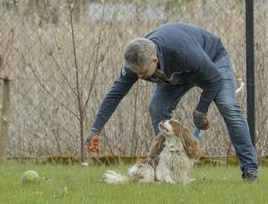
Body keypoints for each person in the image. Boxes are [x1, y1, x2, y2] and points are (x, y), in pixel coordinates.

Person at [85, 22, 258, 183]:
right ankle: (164, 172)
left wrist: (200, 111)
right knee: (157, 108)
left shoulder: (182, 50)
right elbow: (115, 93)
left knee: (228, 106)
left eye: (143, 73)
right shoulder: (137, 60)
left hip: (212, 61)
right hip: (177, 74)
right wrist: (95, 129)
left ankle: (250, 170)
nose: (139, 77)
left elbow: (214, 79)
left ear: (154, 59)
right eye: (136, 73)